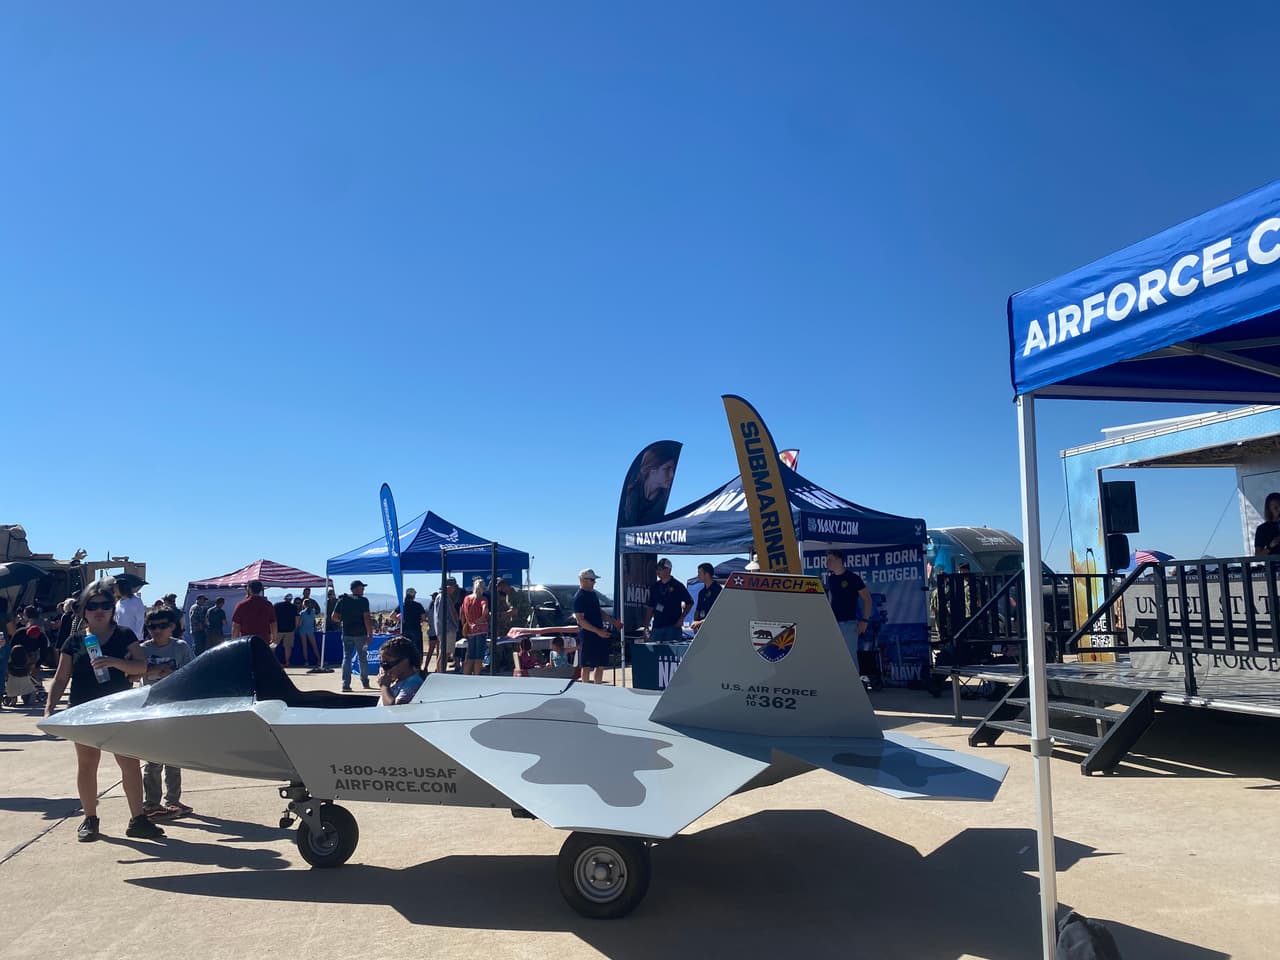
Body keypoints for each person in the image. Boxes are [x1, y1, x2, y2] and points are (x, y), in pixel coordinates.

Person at [44, 578, 165, 842]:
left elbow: (141, 667)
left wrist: (114, 662)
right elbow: (61, 677)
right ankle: (90, 818)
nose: (100, 610)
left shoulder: (124, 635)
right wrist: (50, 707)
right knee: (87, 765)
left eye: (106, 605)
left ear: (112, 608)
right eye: (93, 605)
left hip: (118, 709)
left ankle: (138, 819)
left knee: (129, 765)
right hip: (84, 710)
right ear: (84, 610)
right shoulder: (74, 641)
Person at [138, 607, 194, 819]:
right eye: (153, 627)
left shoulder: (180, 647)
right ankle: (151, 802)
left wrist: (174, 673)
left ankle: (173, 800)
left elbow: (191, 673)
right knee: (152, 760)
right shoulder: (142, 649)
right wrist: (149, 670)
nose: (157, 630)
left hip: (175, 708)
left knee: (174, 758)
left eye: (163, 626)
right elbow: (131, 674)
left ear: (172, 626)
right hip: (151, 709)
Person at [573, 568, 623, 684]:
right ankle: (586, 689)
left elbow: (599, 611)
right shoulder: (579, 597)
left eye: (594, 580)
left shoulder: (592, 594)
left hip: (599, 633)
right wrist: (597, 631)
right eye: (591, 580)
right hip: (588, 634)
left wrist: (613, 621)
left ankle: (598, 687)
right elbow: (580, 620)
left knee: (600, 664)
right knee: (587, 665)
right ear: (582, 580)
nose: (594, 582)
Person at [825, 550, 873, 662]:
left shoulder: (853, 578)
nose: (827, 563)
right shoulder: (831, 579)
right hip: (833, 624)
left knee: (850, 659)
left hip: (849, 624)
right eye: (826, 560)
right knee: (835, 658)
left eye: (830, 560)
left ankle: (854, 679)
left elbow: (868, 599)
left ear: (840, 561)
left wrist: (865, 621)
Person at [331, 580, 374, 692]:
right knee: (362, 657)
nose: (363, 589)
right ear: (356, 588)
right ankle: (364, 681)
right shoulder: (363, 601)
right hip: (361, 634)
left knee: (347, 658)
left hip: (347, 633)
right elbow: (366, 618)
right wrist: (370, 633)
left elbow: (334, 616)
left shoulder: (343, 600)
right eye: (361, 587)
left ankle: (346, 684)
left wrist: (344, 619)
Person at [643, 558, 692, 643]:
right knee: (653, 653)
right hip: (657, 627)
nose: (658, 572)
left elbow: (689, 603)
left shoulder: (677, 585)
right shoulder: (655, 587)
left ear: (668, 570)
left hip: (673, 627)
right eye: (657, 569)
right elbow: (650, 607)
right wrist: (646, 626)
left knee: (671, 654)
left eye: (660, 569)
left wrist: (681, 618)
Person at [375, 635, 424, 705]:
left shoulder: (413, 683)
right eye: (382, 664)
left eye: (387, 664)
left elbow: (396, 710)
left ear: (405, 662)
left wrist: (384, 687)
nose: (384, 668)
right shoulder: (396, 682)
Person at [232, 579, 276, 649]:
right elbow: (273, 623)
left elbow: (236, 626)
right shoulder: (268, 605)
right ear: (261, 589)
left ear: (249, 589)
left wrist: (234, 642)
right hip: (264, 640)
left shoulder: (242, 605)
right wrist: (274, 638)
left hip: (246, 641)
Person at [460, 578, 489, 676]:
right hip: (481, 629)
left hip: (470, 629)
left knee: (470, 654)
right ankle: (477, 675)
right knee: (479, 655)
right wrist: (480, 620)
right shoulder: (482, 599)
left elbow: (462, 613)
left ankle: (466, 675)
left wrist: (466, 624)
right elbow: (485, 610)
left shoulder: (466, 599)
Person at [430, 580, 461, 673]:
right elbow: (441, 615)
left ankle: (439, 670)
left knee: (446, 651)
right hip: (446, 629)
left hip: (446, 628)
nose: (454, 589)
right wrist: (449, 626)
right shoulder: (443, 597)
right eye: (453, 587)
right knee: (445, 652)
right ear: (448, 587)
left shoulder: (445, 597)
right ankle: (440, 672)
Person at [114, 578, 146, 651]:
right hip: (120, 638)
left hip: (133, 640)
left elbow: (140, 620)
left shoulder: (136, 601)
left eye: (116, 587)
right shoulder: (118, 603)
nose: (114, 590)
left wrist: (136, 638)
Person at [690, 562, 722, 633]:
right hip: (701, 629)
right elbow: (698, 610)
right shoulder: (701, 592)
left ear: (706, 574)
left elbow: (717, 613)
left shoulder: (718, 590)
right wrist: (695, 623)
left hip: (713, 628)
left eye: (699, 573)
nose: (698, 576)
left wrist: (701, 622)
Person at [401, 587, 428, 669]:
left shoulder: (403, 605)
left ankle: (406, 668)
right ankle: (417, 667)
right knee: (417, 649)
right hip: (416, 630)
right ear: (413, 595)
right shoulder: (418, 605)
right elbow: (423, 618)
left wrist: (401, 621)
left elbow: (392, 616)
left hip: (405, 630)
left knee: (406, 649)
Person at [273, 592, 298, 667]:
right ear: (291, 599)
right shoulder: (293, 607)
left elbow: (273, 617)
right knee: (288, 646)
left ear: (284, 598)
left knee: (273, 646)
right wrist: (295, 628)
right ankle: (287, 662)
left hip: (278, 629)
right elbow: (297, 619)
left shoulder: (276, 605)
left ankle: (273, 661)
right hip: (289, 630)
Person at [298, 597, 324, 671]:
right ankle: (319, 660)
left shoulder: (302, 613)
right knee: (314, 646)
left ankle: (306, 661)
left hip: (303, 630)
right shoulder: (313, 611)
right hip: (311, 630)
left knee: (304, 646)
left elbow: (300, 624)